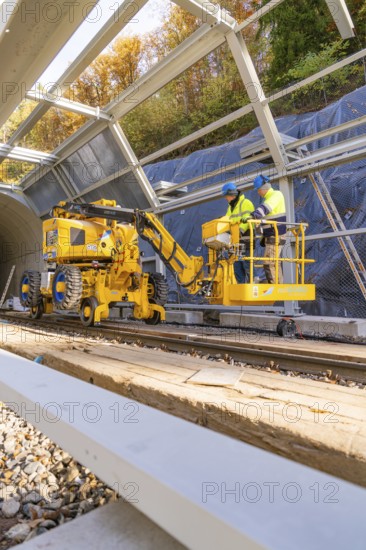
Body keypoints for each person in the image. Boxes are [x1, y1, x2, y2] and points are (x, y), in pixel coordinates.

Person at [242, 175, 286, 284]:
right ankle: (277, 283)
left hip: (276, 234)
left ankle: (274, 286)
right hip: (272, 235)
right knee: (273, 261)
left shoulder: (276, 195)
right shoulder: (269, 197)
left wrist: (253, 216)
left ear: (263, 188)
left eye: (258, 190)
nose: (258, 192)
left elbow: (265, 208)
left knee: (269, 262)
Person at [221, 182, 254, 283]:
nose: (225, 199)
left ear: (231, 195)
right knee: (237, 269)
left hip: (245, 241)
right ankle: (240, 289)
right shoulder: (230, 208)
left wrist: (240, 230)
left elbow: (249, 219)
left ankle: (250, 288)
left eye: (226, 196)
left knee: (247, 267)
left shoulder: (245, 203)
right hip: (235, 244)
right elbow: (226, 221)